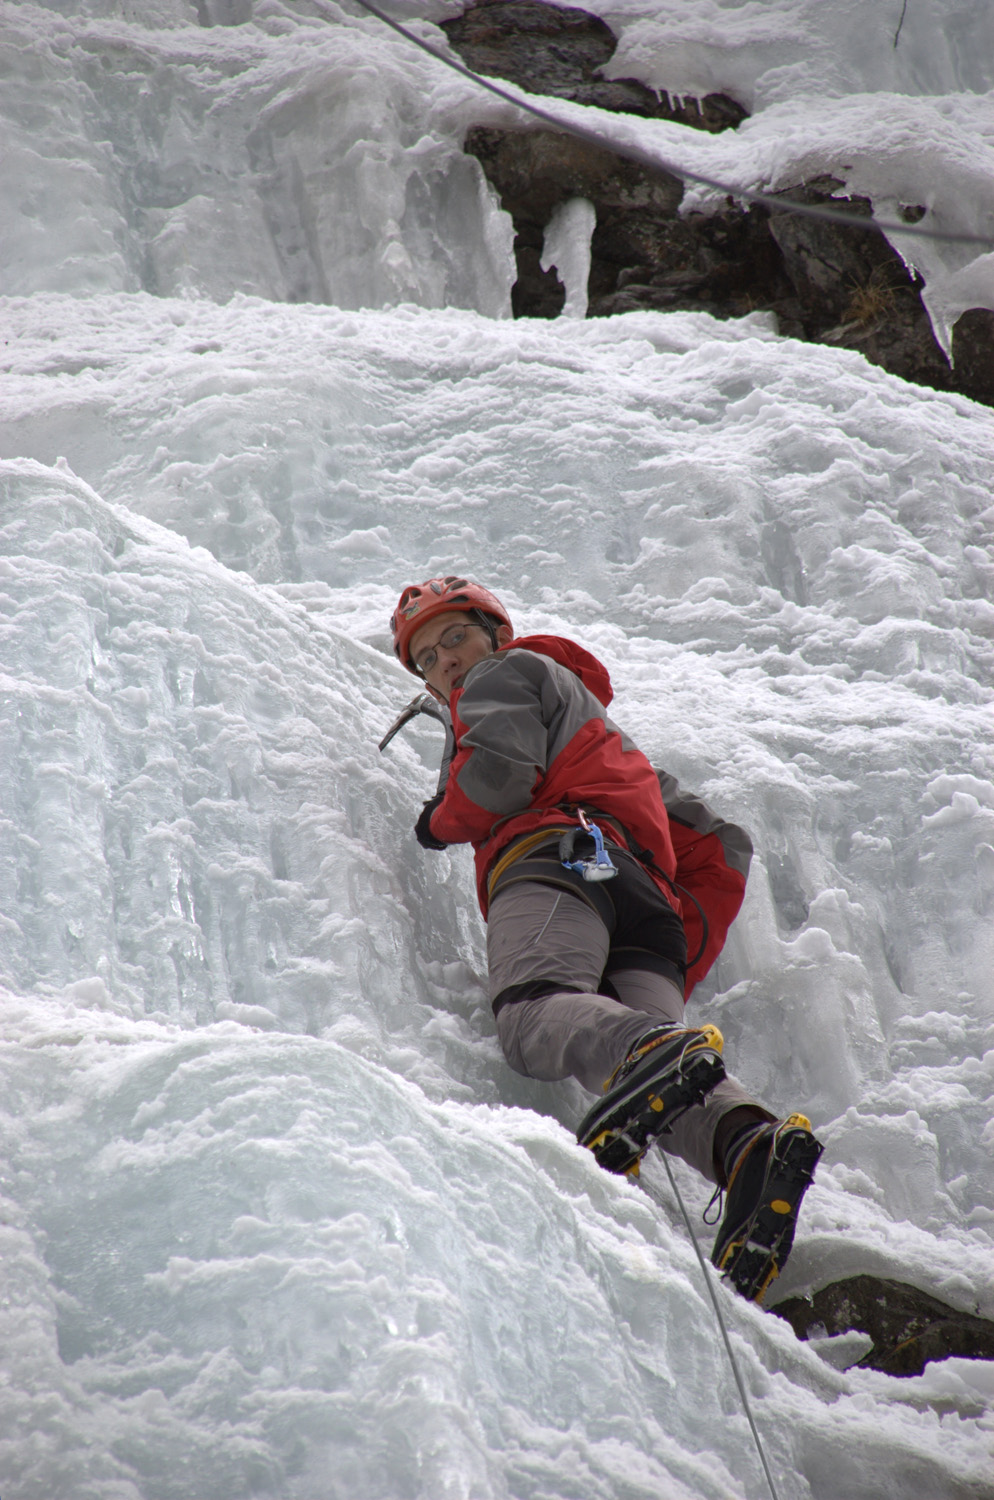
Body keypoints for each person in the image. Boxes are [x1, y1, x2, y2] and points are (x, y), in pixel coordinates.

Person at [391, 575, 822, 1302]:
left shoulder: (507, 673)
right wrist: (666, 943)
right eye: (427, 660)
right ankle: (749, 1145)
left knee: (534, 1014)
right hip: (642, 902)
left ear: (496, 633)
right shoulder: (617, 750)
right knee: (646, 1066)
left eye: (454, 637)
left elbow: (498, 777)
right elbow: (719, 847)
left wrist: (436, 822)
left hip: (558, 856)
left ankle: (654, 1047)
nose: (446, 665)